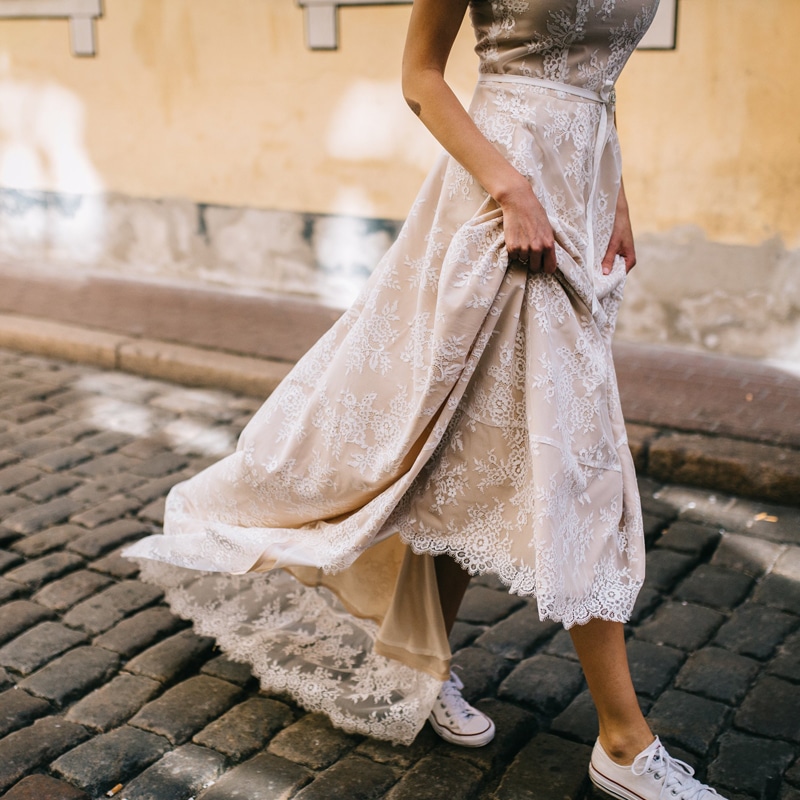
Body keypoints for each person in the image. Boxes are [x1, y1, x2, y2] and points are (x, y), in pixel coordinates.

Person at [124, 1, 727, 798]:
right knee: (575, 461)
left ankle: (416, 659)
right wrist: (511, 188)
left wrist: (613, 192)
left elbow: (595, 78)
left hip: (576, 197)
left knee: (462, 446)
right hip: (501, 205)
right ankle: (623, 741)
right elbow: (420, 77)